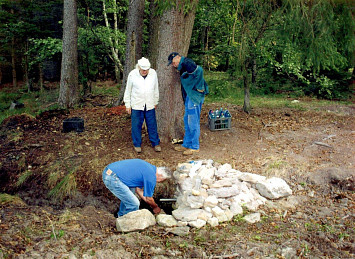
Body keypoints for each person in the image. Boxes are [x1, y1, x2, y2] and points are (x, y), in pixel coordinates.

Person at [167, 52, 209, 155]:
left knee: (193, 122)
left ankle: (194, 146)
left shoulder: (187, 63)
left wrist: (199, 88)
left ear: (178, 58)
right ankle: (186, 144)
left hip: (194, 97)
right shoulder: (182, 65)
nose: (173, 65)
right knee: (187, 120)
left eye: (173, 62)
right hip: (189, 97)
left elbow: (199, 70)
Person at [102, 159, 170, 217]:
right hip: (112, 177)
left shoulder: (150, 168)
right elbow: (149, 198)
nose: (159, 182)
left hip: (109, 171)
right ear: (161, 176)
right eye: (162, 180)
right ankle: (126, 225)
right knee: (134, 203)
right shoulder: (151, 177)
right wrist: (155, 207)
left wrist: (149, 203)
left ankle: (121, 216)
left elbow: (138, 190)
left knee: (131, 194)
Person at [124, 57, 161, 153]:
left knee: (152, 124)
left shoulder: (153, 74)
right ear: (139, 67)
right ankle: (137, 144)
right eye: (143, 69)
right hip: (136, 104)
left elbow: (156, 88)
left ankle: (155, 143)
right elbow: (128, 90)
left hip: (149, 104)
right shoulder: (132, 74)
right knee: (136, 125)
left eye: (147, 69)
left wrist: (155, 101)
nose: (145, 71)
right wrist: (128, 104)